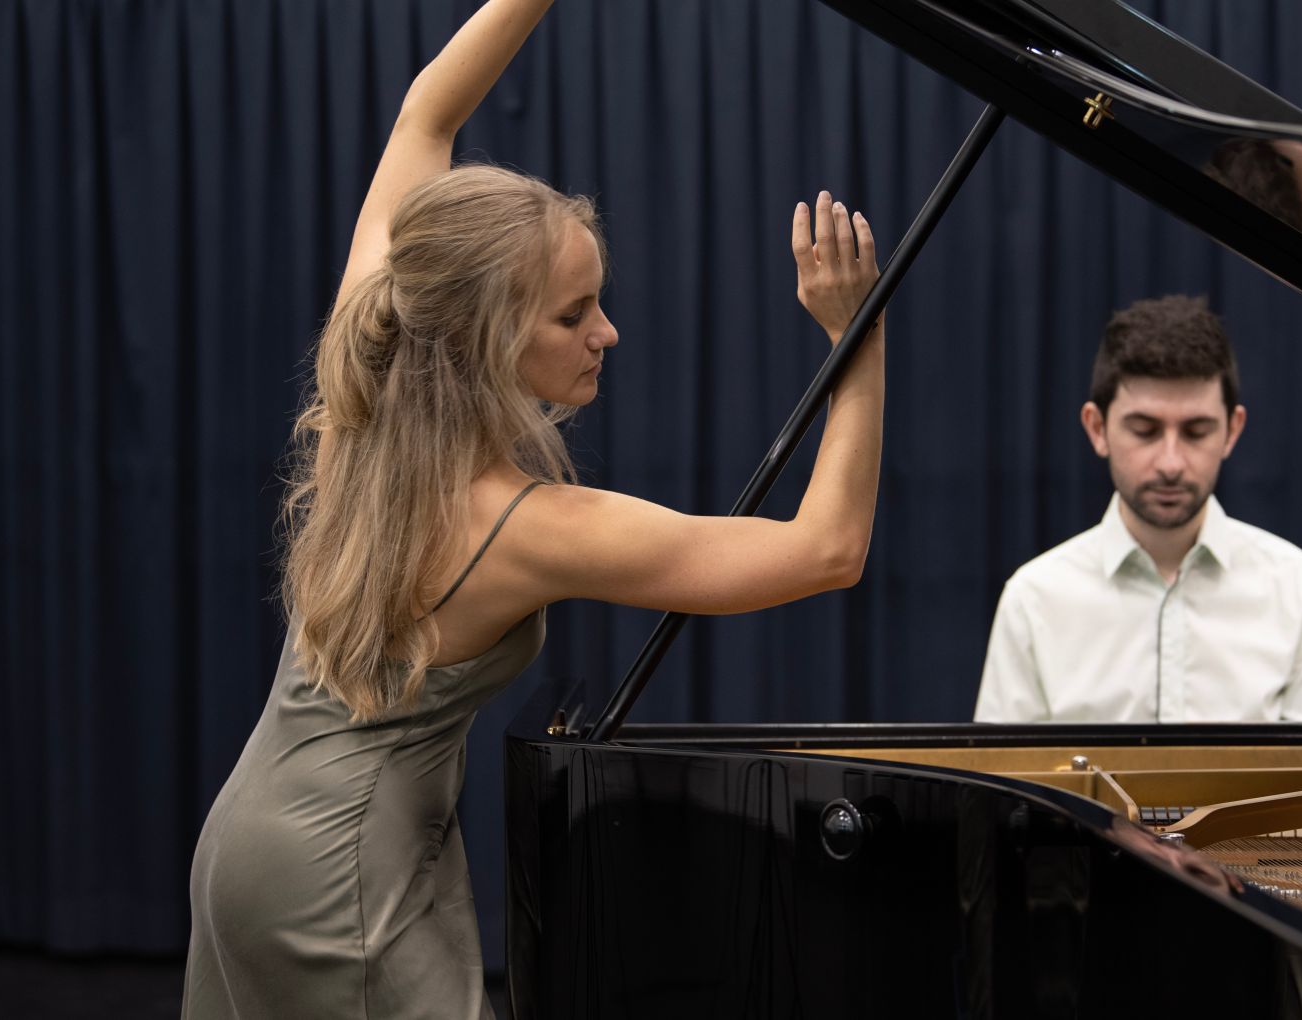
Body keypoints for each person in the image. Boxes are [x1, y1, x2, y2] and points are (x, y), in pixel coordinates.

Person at [181, 1, 886, 1016]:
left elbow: (426, 115)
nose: (608, 332)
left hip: (252, 839)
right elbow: (828, 551)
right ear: (486, 336)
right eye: (572, 313)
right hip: (339, 874)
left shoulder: (369, 370)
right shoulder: (518, 526)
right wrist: (858, 338)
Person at [973, 295, 1302, 724]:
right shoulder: (1034, 599)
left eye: (1196, 432)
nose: (1171, 463)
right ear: (1097, 428)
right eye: (1144, 430)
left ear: (1232, 431)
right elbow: (1006, 770)